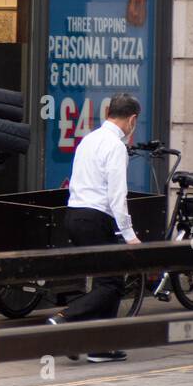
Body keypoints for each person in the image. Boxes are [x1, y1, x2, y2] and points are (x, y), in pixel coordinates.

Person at [47, 93, 143, 364]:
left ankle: (99, 346)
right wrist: (130, 235)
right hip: (95, 218)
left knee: (106, 281)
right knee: (111, 284)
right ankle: (65, 319)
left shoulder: (88, 139)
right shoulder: (116, 146)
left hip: (74, 215)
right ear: (132, 119)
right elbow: (117, 195)